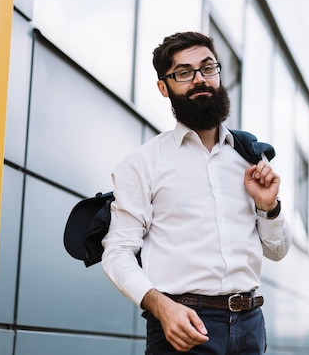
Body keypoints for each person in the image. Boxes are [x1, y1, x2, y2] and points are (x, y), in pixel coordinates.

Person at [102, 31, 292, 354]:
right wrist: (161, 307)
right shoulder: (143, 164)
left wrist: (268, 207)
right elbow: (117, 253)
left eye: (207, 68)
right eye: (183, 73)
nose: (200, 80)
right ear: (164, 87)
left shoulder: (249, 158)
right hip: (184, 325)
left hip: (250, 327)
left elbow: (277, 251)